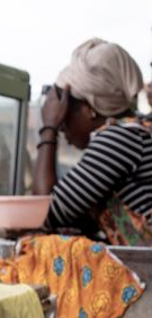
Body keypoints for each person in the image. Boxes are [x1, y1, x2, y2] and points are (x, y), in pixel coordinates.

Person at [33, 38, 149, 243]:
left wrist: (49, 128)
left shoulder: (119, 139)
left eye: (63, 112)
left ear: (89, 109)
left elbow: (42, 214)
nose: (62, 125)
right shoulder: (135, 132)